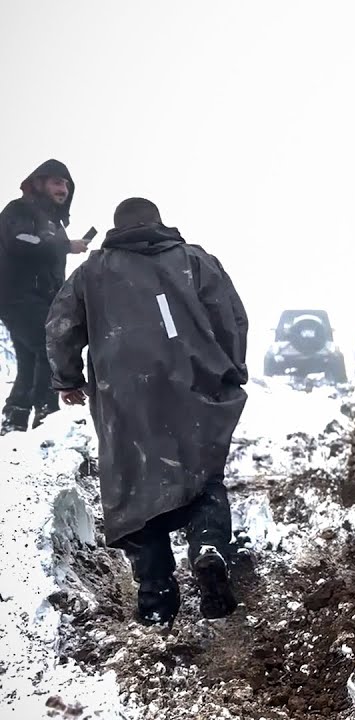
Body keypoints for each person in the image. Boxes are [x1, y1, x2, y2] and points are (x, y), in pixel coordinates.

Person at [45, 197, 249, 625]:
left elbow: (61, 325)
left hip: (124, 398)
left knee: (132, 485)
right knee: (203, 475)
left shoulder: (92, 272)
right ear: (159, 222)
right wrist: (232, 367)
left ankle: (156, 595)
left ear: (118, 228)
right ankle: (209, 546)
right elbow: (231, 316)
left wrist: (67, 379)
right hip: (195, 386)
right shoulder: (194, 260)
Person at [0, 159, 89, 433]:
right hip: (18, 298)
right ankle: (46, 417)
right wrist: (65, 246)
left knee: (30, 362)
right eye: (56, 181)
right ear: (38, 183)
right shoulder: (19, 209)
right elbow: (19, 241)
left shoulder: (52, 221)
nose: (63, 188)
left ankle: (14, 423)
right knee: (50, 350)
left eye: (65, 183)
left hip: (40, 301)